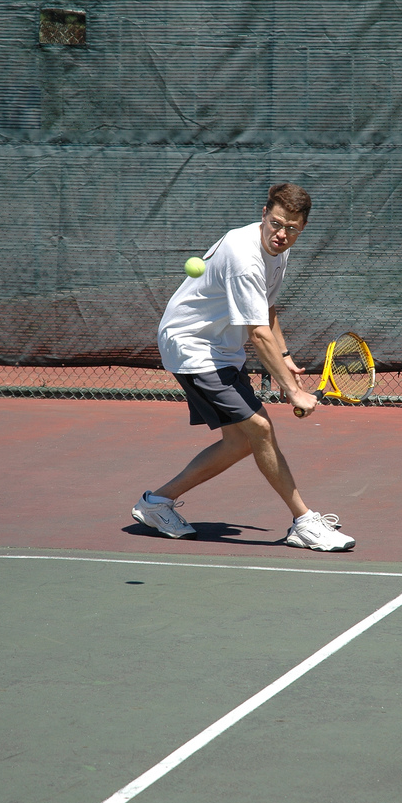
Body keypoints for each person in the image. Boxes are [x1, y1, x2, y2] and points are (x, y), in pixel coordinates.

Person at [132, 183, 356, 552]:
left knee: (239, 443)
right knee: (260, 429)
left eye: (292, 229)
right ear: (264, 213)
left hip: (220, 346)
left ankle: (156, 503)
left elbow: (266, 311)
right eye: (276, 223)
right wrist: (293, 391)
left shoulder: (277, 252)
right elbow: (257, 333)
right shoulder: (244, 255)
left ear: (302, 228)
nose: (282, 234)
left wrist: (285, 359)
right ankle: (304, 521)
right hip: (193, 345)